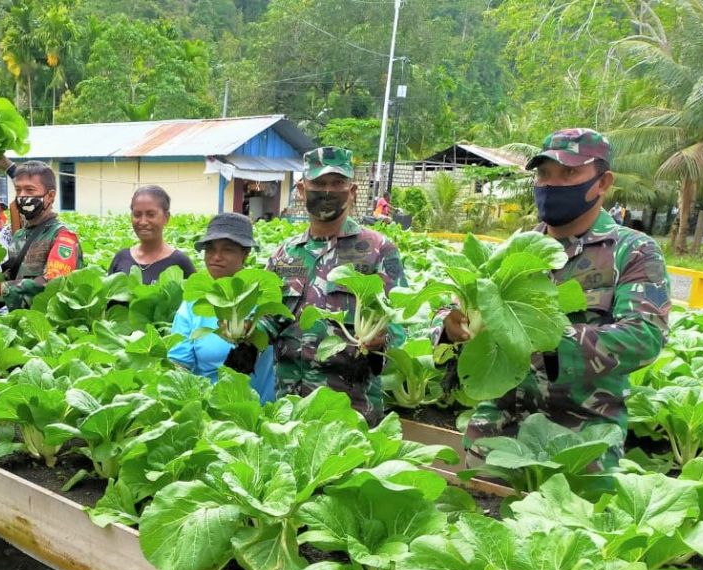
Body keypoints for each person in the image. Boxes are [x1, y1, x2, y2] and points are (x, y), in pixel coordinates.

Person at [440, 128, 670, 466]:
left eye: (570, 173)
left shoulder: (633, 252)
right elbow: (461, 306)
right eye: (544, 173)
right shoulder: (514, 249)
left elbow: (644, 337)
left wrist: (543, 337)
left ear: (603, 182)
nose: (552, 184)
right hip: (496, 432)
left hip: (582, 438)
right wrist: (448, 325)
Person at [243, 146, 406, 425]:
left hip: (352, 412)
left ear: (352, 192)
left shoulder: (378, 250)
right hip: (289, 409)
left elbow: (402, 322)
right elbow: (271, 317)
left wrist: (383, 343)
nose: (328, 191)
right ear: (301, 190)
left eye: (338, 183)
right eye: (318, 183)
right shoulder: (285, 254)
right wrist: (248, 334)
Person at [168, 213, 276, 402]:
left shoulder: (264, 297)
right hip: (209, 413)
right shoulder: (193, 303)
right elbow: (179, 364)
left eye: (227, 249)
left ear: (246, 253)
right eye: (210, 249)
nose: (216, 257)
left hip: (259, 414)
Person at [0, 160, 84, 310]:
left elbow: (54, 283)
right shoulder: (19, 236)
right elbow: (11, 278)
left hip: (53, 327)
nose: (22, 196)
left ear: (50, 196)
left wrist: (0, 288)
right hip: (21, 324)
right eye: (18, 190)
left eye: (30, 190)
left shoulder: (63, 237)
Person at [107, 186, 195, 284]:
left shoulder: (180, 262)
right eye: (137, 214)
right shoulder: (121, 258)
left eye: (151, 214)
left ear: (166, 217)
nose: (143, 222)